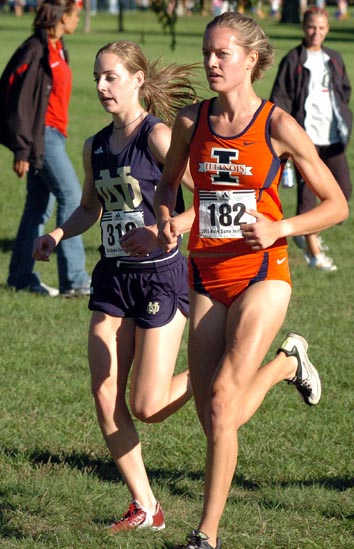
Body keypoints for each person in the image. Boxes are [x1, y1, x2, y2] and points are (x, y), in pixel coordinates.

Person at [154, 12, 349, 549]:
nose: (212, 62)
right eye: (207, 52)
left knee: (221, 403)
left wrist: (280, 225)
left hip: (265, 274)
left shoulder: (278, 126)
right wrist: (167, 219)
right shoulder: (191, 122)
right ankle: (289, 364)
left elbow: (337, 205)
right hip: (205, 275)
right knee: (217, 417)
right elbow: (169, 185)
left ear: (251, 60)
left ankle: (206, 535)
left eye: (223, 53)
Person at [33, 40, 198, 531]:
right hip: (113, 278)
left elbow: (205, 199)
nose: (102, 86)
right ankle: (146, 506)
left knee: (147, 406)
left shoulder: (159, 137)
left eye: (111, 77)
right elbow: (90, 207)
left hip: (159, 276)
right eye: (97, 78)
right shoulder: (95, 145)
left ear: (137, 80)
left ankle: (219, 368)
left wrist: (167, 228)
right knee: (105, 394)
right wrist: (58, 234)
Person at [0, 0, 90, 297]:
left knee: (37, 206)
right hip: (43, 136)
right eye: (75, 15)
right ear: (62, 16)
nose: (78, 20)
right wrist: (22, 149)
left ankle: (21, 277)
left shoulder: (57, 46)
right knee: (72, 195)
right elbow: (19, 99)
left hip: (55, 135)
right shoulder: (36, 49)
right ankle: (75, 281)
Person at [270, 6, 352, 272]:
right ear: (304, 28)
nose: (315, 32)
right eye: (311, 27)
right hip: (306, 139)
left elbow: (344, 90)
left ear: (327, 29)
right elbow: (279, 99)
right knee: (308, 197)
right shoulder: (293, 60)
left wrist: (342, 116)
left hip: (333, 137)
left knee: (343, 192)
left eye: (321, 28)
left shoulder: (335, 58)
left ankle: (308, 233)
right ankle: (313, 251)